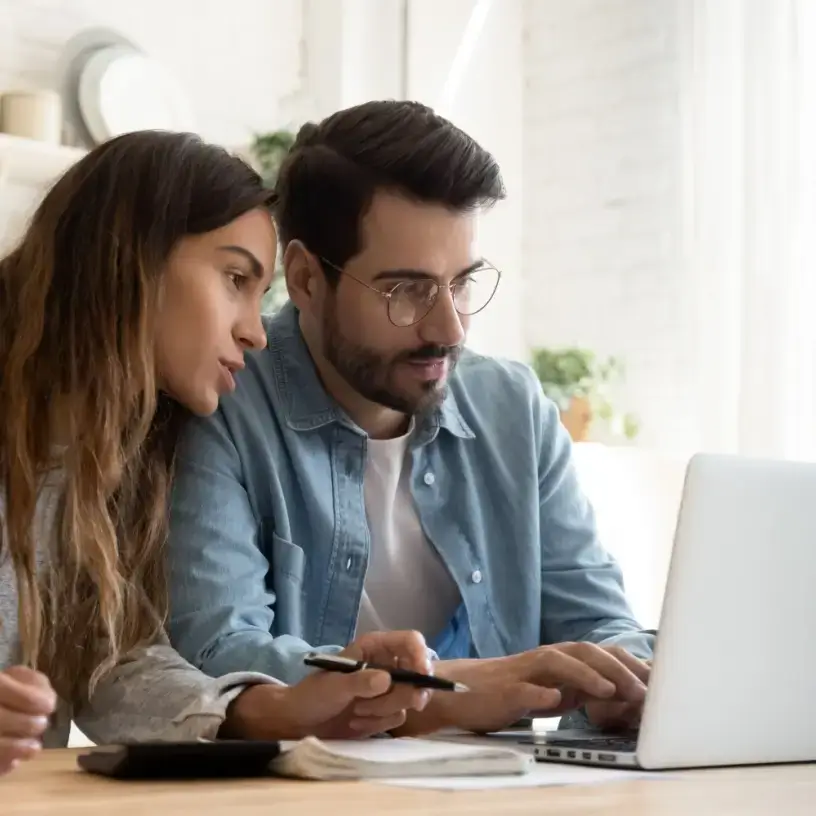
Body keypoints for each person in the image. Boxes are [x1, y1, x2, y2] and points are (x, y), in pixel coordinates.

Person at [167, 101, 654, 737]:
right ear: (308, 280)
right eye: (408, 291)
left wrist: (629, 681)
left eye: (462, 284)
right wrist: (448, 694)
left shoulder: (513, 409)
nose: (449, 328)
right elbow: (217, 652)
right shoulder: (221, 403)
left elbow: (597, 617)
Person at [0, 130, 432, 776]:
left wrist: (272, 708)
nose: (256, 332)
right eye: (236, 278)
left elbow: (111, 659)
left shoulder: (108, 466)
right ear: (131, 256)